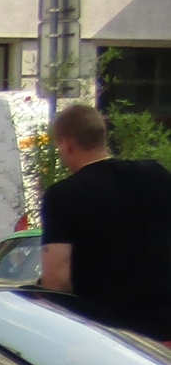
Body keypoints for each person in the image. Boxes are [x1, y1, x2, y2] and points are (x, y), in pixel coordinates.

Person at [39, 100, 171, 338]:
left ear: (67, 144)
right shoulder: (157, 175)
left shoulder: (63, 196)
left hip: (106, 338)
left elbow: (57, 281)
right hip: (164, 333)